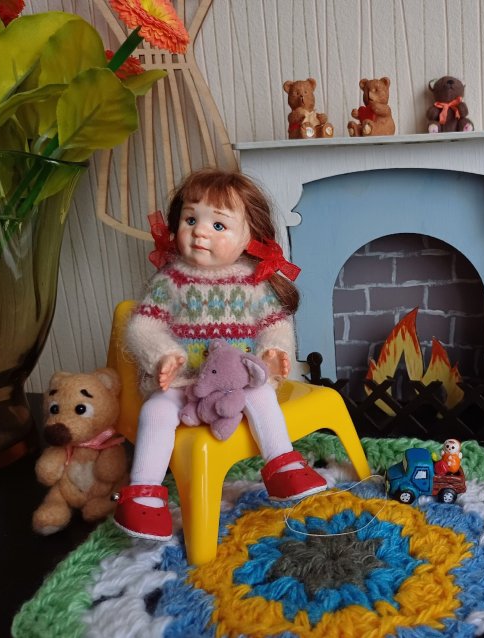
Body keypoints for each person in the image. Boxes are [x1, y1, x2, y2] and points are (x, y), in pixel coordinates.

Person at [113, 169, 327, 541]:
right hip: (184, 382)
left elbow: (275, 323)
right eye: (190, 220)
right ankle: (144, 495)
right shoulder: (170, 281)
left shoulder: (254, 282)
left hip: (238, 381)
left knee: (263, 397)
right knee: (156, 411)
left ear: (249, 236)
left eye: (218, 225)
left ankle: (282, 465)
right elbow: (143, 326)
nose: (199, 232)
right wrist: (164, 356)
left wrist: (273, 352)